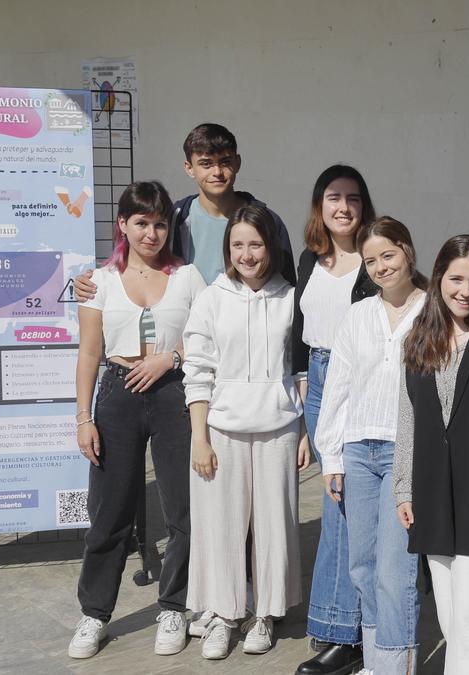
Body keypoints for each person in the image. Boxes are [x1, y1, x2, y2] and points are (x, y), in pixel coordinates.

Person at [69, 180, 207, 659]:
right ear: (123, 225)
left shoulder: (188, 277)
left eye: (160, 223)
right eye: (142, 223)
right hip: (118, 391)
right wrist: (84, 418)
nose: (152, 233)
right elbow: (89, 353)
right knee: (108, 512)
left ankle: (174, 605)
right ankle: (94, 615)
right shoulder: (100, 281)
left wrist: (169, 359)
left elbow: (208, 337)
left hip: (173, 393)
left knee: (183, 509)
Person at [181, 204, 310, 660]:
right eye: (238, 244)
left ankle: (266, 613)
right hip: (222, 430)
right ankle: (222, 613)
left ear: (271, 246)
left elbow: (300, 372)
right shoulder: (211, 298)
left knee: (276, 525)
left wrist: (303, 432)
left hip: (278, 427)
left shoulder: (292, 299)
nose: (247, 254)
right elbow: (197, 370)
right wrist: (200, 436)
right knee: (221, 525)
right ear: (227, 249)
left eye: (255, 244)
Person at [393, 234, 469, 675]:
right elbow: (406, 416)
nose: (466, 291)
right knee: (450, 619)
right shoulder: (417, 340)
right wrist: (403, 488)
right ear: (439, 277)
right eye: (457, 278)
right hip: (431, 494)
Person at [314, 217, 426, 675]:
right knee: (361, 564)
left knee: (395, 570)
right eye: (371, 261)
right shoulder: (358, 315)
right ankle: (379, 663)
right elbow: (337, 388)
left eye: (388, 255)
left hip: (406, 453)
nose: (381, 267)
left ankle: (397, 667)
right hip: (358, 451)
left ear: (407, 250)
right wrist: (332, 456)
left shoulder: (433, 310)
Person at [291, 165, 380, 675]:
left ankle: (346, 634)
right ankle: (341, 627)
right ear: (319, 205)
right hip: (317, 384)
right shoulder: (311, 258)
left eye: (351, 197)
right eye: (332, 197)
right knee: (336, 503)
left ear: (364, 205)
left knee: (343, 506)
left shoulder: (373, 260)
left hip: (355, 383)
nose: (342, 206)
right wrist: (308, 416)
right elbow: (302, 336)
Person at [74, 122, 296, 303]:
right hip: (188, 337)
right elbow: (137, 263)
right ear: (189, 168)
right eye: (206, 164)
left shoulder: (267, 222)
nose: (217, 172)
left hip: (246, 336)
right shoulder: (173, 218)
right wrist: (94, 281)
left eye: (225, 162)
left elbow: (285, 291)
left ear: (237, 163)